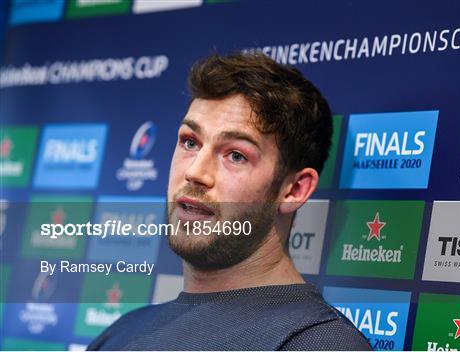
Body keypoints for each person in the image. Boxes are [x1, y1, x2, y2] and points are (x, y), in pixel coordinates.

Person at [87, 52, 372, 351]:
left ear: (294, 190)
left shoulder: (319, 343)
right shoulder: (120, 334)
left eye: (236, 155)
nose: (195, 172)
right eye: (190, 142)